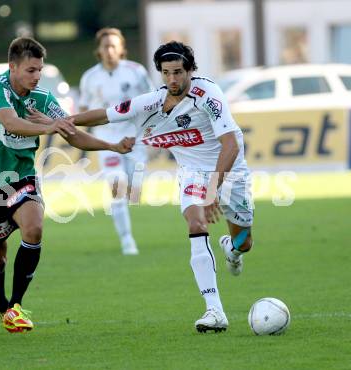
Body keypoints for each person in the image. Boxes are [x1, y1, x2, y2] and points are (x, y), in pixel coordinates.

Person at [29, 41, 254, 333]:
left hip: (230, 170)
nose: (172, 79)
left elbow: (231, 144)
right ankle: (214, 311)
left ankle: (232, 250)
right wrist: (58, 122)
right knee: (195, 224)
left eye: (178, 72)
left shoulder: (208, 94)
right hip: (192, 174)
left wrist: (214, 188)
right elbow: (104, 114)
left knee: (244, 242)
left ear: (190, 70)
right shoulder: (152, 101)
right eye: (166, 73)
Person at [0, 37, 134, 334]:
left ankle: (15, 307)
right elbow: (12, 123)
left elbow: (71, 132)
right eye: (31, 70)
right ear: (12, 67)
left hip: (21, 177)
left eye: (40, 70)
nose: (37, 76)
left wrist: (112, 146)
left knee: (34, 227)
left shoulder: (42, 98)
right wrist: (48, 127)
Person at [78, 27, 154, 255]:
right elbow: (83, 108)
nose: (109, 50)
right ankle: (127, 240)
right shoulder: (90, 77)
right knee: (117, 186)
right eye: (105, 46)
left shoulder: (136, 71)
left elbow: (153, 101)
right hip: (107, 140)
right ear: (99, 51)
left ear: (121, 49)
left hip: (135, 138)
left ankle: (128, 218)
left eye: (113, 46)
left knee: (135, 191)